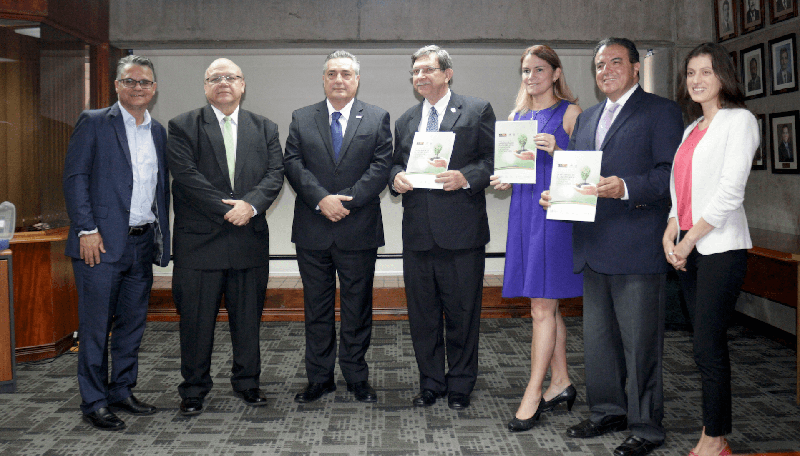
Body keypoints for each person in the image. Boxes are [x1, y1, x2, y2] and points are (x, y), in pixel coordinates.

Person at [540, 38, 683, 456]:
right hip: (592, 244)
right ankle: (607, 412)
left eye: (616, 62)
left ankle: (646, 427)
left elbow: (669, 176)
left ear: (636, 68)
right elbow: (579, 176)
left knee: (640, 344)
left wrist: (625, 187)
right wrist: (559, 196)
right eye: (600, 64)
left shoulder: (660, 112)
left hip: (637, 246)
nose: (606, 70)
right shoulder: (588, 119)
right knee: (599, 341)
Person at [166, 58, 284, 416]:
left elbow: (275, 174)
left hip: (248, 238)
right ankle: (194, 389)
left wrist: (250, 206)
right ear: (205, 87)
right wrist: (229, 209)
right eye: (215, 78)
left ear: (243, 85)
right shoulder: (183, 126)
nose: (223, 83)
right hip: (199, 242)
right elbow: (187, 178)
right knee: (196, 323)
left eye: (230, 77)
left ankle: (248, 383)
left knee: (247, 320)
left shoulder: (264, 127)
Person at [63, 55, 171, 431]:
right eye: (130, 81)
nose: (138, 88)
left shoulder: (157, 131)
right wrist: (86, 229)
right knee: (95, 327)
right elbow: (75, 178)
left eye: (145, 83)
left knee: (131, 325)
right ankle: (93, 401)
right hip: (100, 245)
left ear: (154, 89)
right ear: (117, 86)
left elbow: (159, 190)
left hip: (141, 243)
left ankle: (121, 389)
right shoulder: (94, 122)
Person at [663, 42, 758, 456]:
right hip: (689, 246)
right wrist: (671, 228)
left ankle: (716, 437)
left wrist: (686, 240)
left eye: (706, 72)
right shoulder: (690, 130)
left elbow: (728, 194)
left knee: (707, 344)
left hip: (720, 248)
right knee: (702, 344)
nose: (697, 80)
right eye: (690, 73)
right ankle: (712, 432)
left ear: (723, 76)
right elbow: (681, 191)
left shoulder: (740, 121)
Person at [390, 45, 495, 411]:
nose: (420, 76)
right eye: (415, 71)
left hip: (462, 234)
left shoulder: (477, 109)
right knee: (423, 316)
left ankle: (461, 384)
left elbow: (490, 159)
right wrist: (396, 178)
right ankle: (431, 383)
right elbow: (393, 166)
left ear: (447, 73)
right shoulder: (405, 120)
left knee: (463, 313)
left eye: (427, 70)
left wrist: (466, 177)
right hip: (418, 234)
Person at [284, 51, 392, 404]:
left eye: (346, 73)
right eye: (332, 73)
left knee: (357, 307)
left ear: (356, 79)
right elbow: (293, 164)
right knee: (316, 308)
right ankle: (319, 378)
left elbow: (380, 166)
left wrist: (344, 200)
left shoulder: (377, 117)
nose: (339, 79)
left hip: (357, 227)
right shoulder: (302, 118)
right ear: (324, 79)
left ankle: (356, 377)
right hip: (313, 228)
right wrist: (322, 199)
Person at [488, 45, 583, 432]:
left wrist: (560, 149)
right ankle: (561, 382)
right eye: (526, 70)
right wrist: (506, 176)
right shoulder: (517, 118)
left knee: (541, 309)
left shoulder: (572, 113)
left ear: (557, 73)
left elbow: (588, 169)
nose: (531, 77)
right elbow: (517, 169)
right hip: (524, 212)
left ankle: (532, 392)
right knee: (549, 306)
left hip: (555, 215)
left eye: (539, 69)